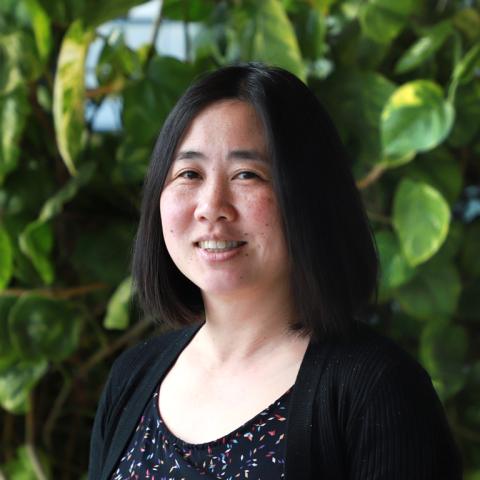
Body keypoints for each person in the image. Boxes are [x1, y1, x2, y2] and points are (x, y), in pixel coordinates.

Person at [88, 63, 463, 479]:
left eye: (247, 175)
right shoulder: (132, 378)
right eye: (189, 174)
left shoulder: (377, 390)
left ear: (309, 197)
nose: (212, 207)